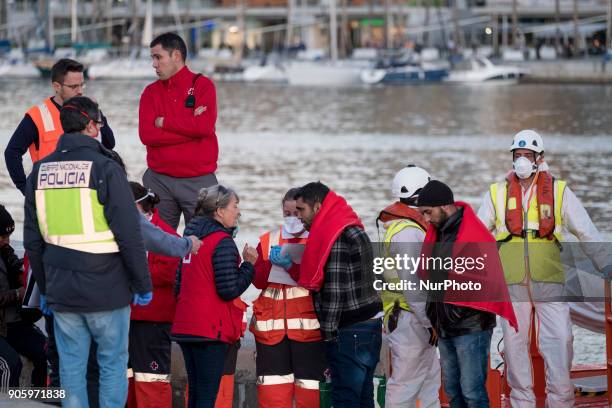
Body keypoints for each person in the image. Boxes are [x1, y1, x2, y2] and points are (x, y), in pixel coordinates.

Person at [23, 96, 152, 408]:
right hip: (108, 291)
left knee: (70, 371)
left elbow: (33, 242)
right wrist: (142, 285)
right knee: (111, 367)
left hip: (62, 292)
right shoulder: (106, 168)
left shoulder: (39, 172)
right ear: (93, 126)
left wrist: (48, 290)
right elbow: (129, 234)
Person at [477, 130, 612, 408]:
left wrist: (605, 264)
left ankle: (560, 402)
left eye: (527, 155)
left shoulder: (559, 191)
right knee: (514, 347)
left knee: (560, 341)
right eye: (518, 155)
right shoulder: (497, 193)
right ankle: (522, 402)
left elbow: (586, 231)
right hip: (512, 283)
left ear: (540, 158)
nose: (522, 161)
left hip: (550, 280)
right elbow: (477, 236)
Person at [416, 180, 517, 408]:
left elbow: (488, 283)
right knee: (453, 392)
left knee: (472, 393)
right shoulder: (438, 233)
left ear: (444, 206)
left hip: (471, 327)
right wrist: (435, 316)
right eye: (422, 214)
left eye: (428, 212)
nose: (426, 219)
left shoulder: (474, 234)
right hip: (444, 326)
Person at [294, 182, 383, 408]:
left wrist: (328, 335)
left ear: (317, 207)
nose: (298, 217)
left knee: (345, 398)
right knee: (364, 397)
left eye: (301, 210)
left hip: (349, 330)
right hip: (371, 326)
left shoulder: (334, 234)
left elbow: (335, 290)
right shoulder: (351, 225)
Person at [172, 185, 256, 408]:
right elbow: (228, 289)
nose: (238, 212)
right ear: (219, 211)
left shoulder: (190, 239)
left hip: (185, 327)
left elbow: (178, 286)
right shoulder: (223, 242)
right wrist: (249, 265)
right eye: (235, 207)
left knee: (196, 394)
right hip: (209, 331)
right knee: (207, 396)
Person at [250, 188, 326, 408]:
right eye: (287, 213)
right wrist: (262, 263)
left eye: (296, 213)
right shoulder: (268, 240)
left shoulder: (317, 239)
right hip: (271, 331)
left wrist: (292, 266)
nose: (293, 218)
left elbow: (321, 280)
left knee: (311, 392)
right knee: (272, 393)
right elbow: (259, 282)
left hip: (308, 331)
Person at [127, 182, 200, 408]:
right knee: (125, 376)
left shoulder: (164, 235)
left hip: (153, 320)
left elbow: (170, 273)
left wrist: (129, 272)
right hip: (126, 316)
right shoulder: (126, 231)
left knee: (152, 379)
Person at [139, 32, 219, 230]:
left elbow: (204, 127)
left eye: (158, 57)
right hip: (159, 180)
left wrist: (164, 122)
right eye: (152, 58)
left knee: (204, 245)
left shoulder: (203, 86)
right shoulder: (150, 92)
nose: (154, 64)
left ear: (176, 56)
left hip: (198, 181)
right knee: (158, 248)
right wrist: (190, 127)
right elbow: (147, 135)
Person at [376, 166, 440, 408]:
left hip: (411, 318)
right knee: (405, 385)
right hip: (411, 320)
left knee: (429, 381)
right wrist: (431, 322)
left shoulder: (403, 229)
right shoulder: (410, 234)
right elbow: (414, 289)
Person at [4, 58, 115, 196]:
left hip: (87, 193)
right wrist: (26, 189)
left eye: (82, 85)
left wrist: (97, 111)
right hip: (50, 196)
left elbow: (109, 144)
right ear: (57, 86)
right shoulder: (38, 115)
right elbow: (12, 153)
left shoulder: (90, 109)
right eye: (74, 87)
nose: (80, 91)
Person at [0, 204, 47, 389]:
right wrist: (17, 293)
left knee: (46, 353)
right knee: (10, 366)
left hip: (14, 323)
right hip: (4, 326)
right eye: (3, 237)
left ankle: (40, 400)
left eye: (9, 236)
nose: (7, 241)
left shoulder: (6, 252)